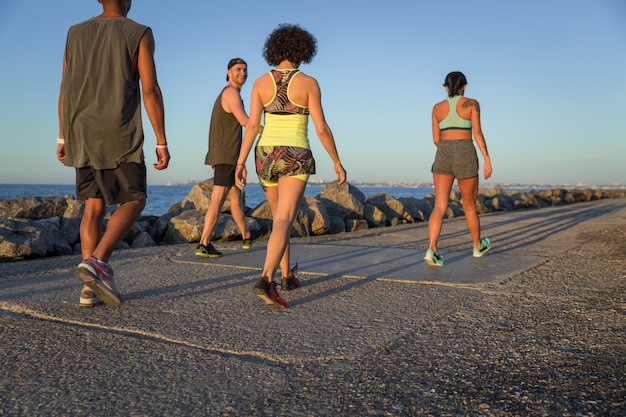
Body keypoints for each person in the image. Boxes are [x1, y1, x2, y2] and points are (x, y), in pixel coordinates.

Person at [56, 0, 170, 307]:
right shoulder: (138, 32)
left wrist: (63, 135)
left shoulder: (74, 33)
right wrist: (161, 140)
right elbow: (151, 89)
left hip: (80, 130)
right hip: (116, 131)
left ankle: (89, 289)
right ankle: (98, 264)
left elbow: (65, 89)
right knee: (134, 199)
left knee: (93, 207)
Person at [235, 24, 346, 308]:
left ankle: (286, 276)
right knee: (284, 219)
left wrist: (240, 161)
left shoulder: (260, 83)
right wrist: (336, 161)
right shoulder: (308, 83)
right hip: (294, 153)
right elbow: (321, 128)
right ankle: (265, 279)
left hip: (265, 154)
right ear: (303, 50)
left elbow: (251, 126)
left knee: (278, 218)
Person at [424, 71, 492, 267]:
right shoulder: (472, 104)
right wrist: (487, 159)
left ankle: (432, 249)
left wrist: (447, 150)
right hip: (465, 151)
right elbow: (477, 133)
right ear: (465, 86)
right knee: (469, 206)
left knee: (439, 206)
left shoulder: (437, 108)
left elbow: (436, 139)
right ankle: (477, 246)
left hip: (443, 153)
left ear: (445, 87)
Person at [195, 58, 261, 258]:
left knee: (235, 199)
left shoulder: (232, 94)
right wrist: (267, 130)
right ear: (228, 72)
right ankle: (204, 243)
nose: (243, 73)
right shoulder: (230, 92)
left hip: (228, 156)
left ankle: (246, 236)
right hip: (226, 155)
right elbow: (245, 122)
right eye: (238, 69)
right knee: (217, 199)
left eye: (245, 70)